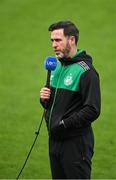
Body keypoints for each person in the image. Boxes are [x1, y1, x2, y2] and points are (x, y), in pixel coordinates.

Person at [40, 21, 101, 179]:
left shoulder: (86, 72)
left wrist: (64, 124)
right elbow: (56, 103)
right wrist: (44, 99)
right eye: (52, 40)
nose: (54, 45)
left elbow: (92, 109)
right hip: (55, 140)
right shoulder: (57, 66)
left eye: (58, 40)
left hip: (75, 144)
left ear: (72, 40)